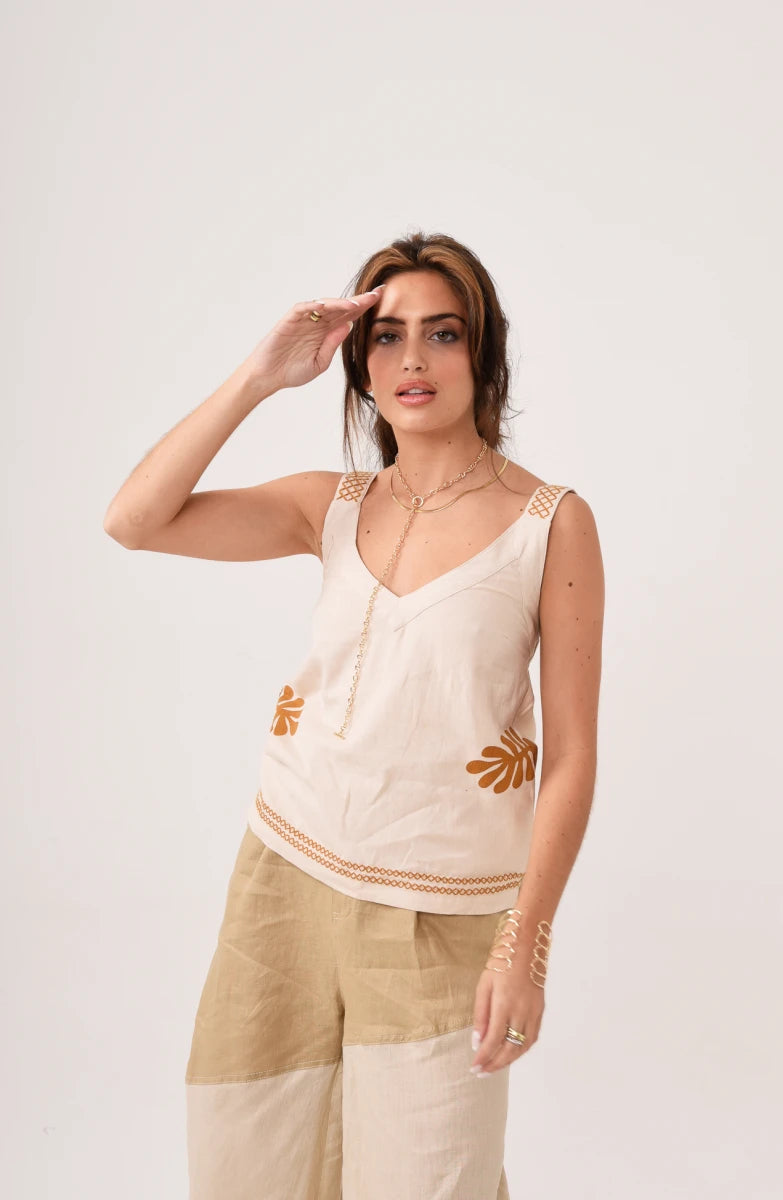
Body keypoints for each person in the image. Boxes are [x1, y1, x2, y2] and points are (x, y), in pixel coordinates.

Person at [103, 230, 605, 1199]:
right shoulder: (328, 506)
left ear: (484, 354)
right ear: (360, 366)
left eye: (443, 333)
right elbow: (134, 520)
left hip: (439, 913)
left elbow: (573, 756)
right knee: (250, 1171)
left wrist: (525, 945)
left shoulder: (550, 524)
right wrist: (259, 377)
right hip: (281, 890)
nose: (413, 358)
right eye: (387, 336)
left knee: (432, 1178)